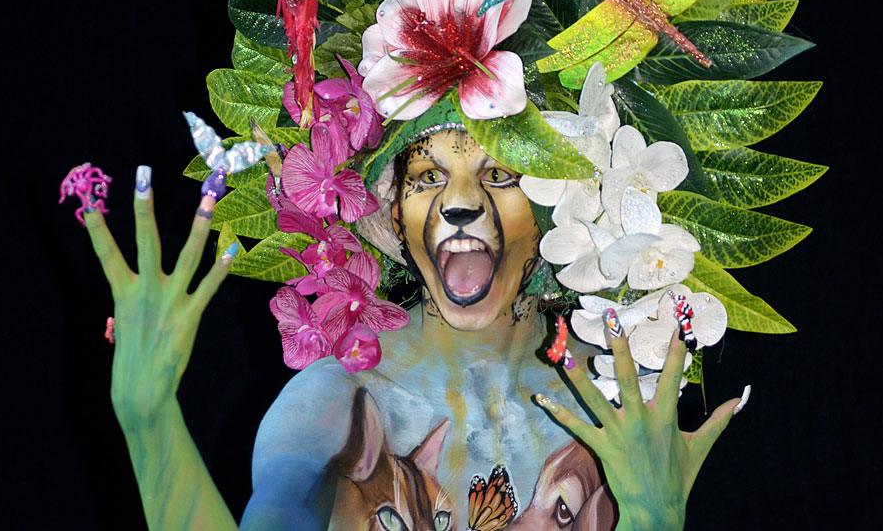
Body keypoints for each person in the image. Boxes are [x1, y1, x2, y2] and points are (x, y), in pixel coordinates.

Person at [83, 97, 745, 530]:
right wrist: (150, 420)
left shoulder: (614, 402)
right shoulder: (338, 404)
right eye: (428, 177)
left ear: (558, 201)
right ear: (393, 214)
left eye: (500, 174)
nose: (459, 201)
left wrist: (655, 516)